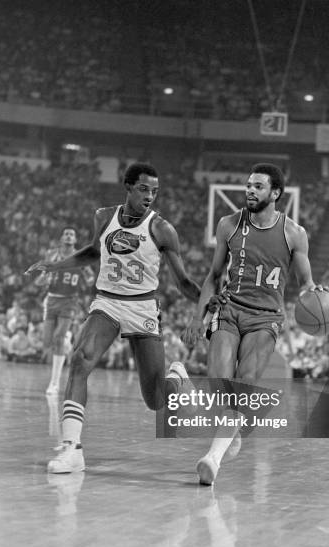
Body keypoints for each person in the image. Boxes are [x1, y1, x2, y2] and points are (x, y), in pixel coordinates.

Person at [25, 162, 201, 474]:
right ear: (129, 187)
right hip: (107, 302)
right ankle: (72, 449)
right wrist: (55, 266)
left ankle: (178, 379)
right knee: (80, 359)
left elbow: (184, 283)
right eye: (144, 189)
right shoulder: (104, 216)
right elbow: (93, 252)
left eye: (155, 191)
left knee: (156, 400)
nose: (150, 196)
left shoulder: (162, 229)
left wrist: (210, 302)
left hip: (143, 307)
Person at [183, 163, 324, 485]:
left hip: (266, 317)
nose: (250, 190)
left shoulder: (294, 233)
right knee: (221, 386)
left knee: (243, 383)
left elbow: (305, 281)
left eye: (258, 186)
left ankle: (212, 459)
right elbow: (214, 276)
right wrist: (197, 316)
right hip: (230, 309)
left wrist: (313, 291)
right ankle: (230, 438)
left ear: (275, 193)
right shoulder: (228, 225)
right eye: (248, 185)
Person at [34, 227, 95, 394]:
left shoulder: (80, 257)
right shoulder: (51, 255)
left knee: (57, 338)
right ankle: (67, 341)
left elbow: (90, 278)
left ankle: (54, 383)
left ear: (75, 240)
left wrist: (88, 278)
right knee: (47, 343)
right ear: (62, 238)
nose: (69, 236)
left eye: (72, 234)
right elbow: (40, 280)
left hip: (69, 300)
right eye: (66, 233)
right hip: (52, 299)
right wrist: (42, 277)